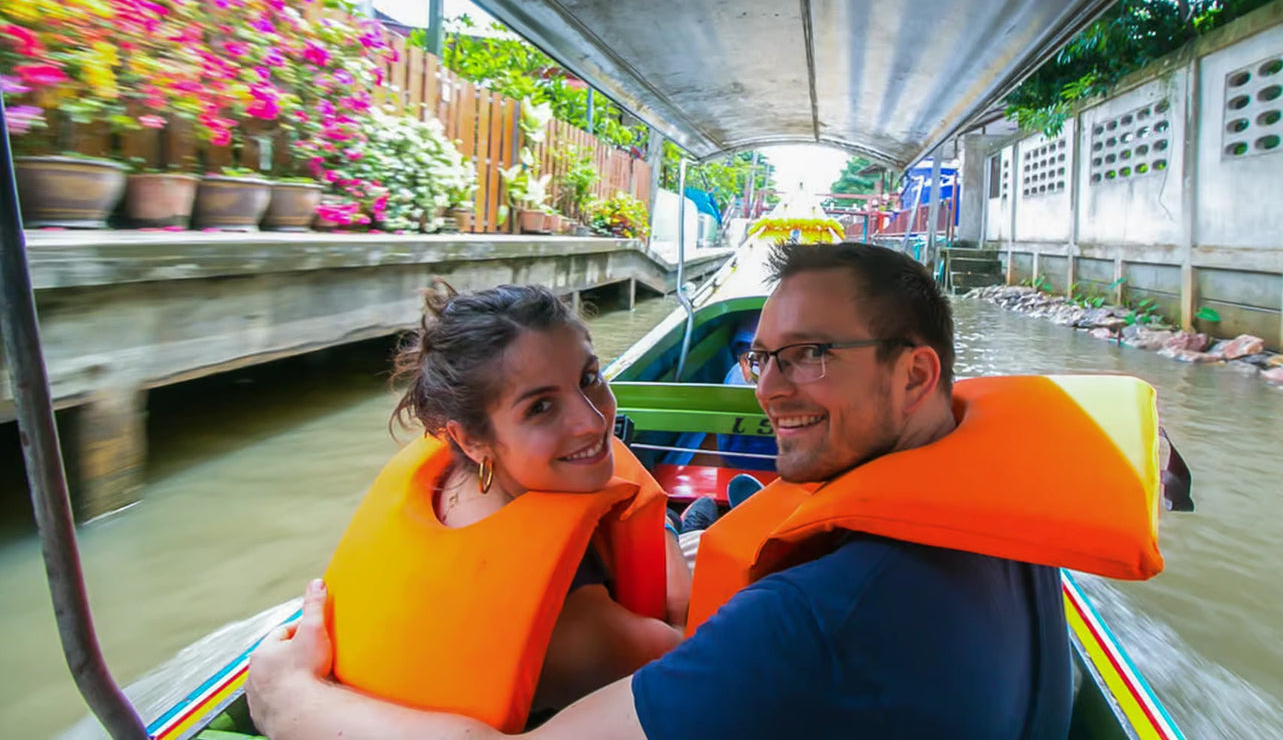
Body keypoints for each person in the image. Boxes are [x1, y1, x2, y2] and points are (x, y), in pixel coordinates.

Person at [249, 243, 1099, 739]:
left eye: (810, 354)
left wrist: (287, 695)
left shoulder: (805, 621)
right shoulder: (988, 514)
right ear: (470, 440)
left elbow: (727, 639)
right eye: (763, 356)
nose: (768, 388)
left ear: (916, 373)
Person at [314, 282, 690, 733]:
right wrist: (662, 530)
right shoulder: (573, 629)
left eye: (589, 378)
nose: (593, 421)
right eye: (541, 407)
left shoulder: (452, 481)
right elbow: (689, 658)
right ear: (470, 439)